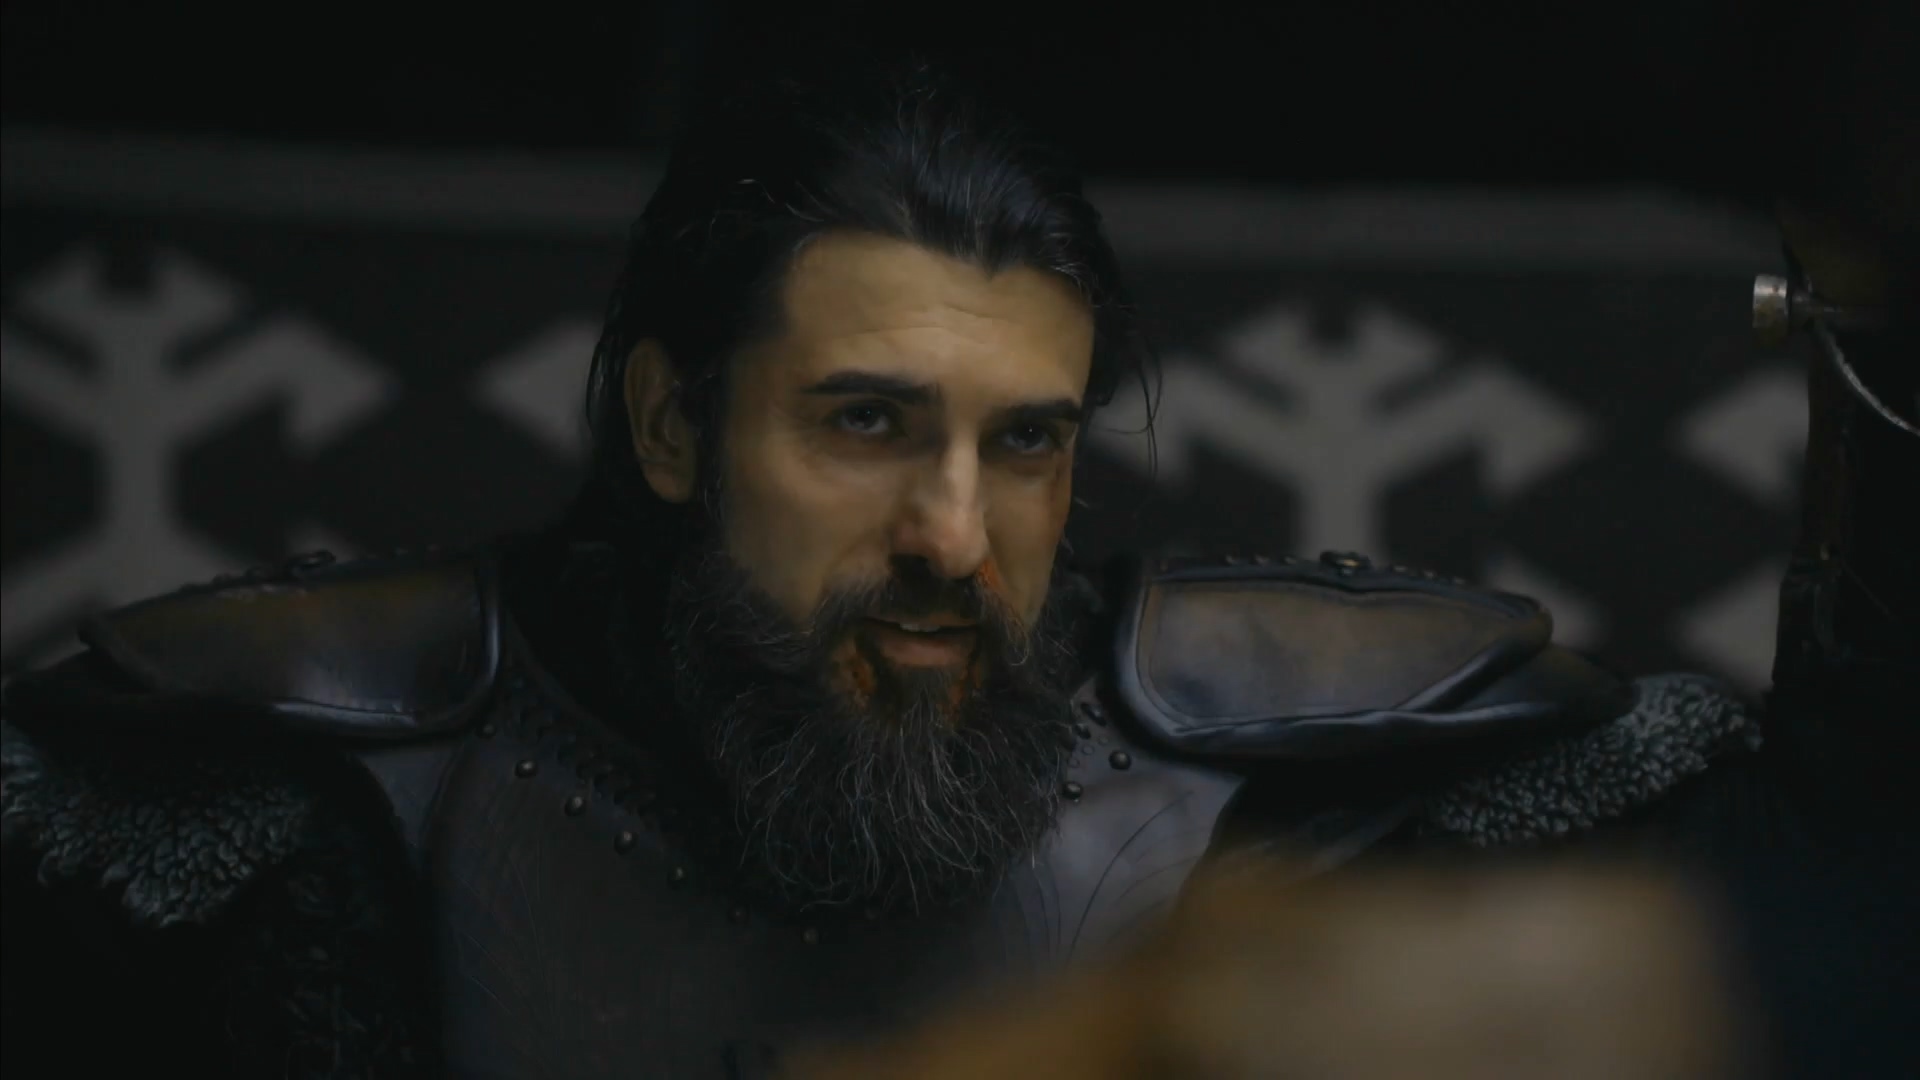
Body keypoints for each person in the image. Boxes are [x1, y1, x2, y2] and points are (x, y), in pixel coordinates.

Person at [2, 43, 1912, 1079]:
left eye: (1028, 444)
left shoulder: (1277, 778)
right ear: (669, 427)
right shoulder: (332, 785)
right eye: (864, 425)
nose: (951, 536)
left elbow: (1841, 864)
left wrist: (1881, 345)